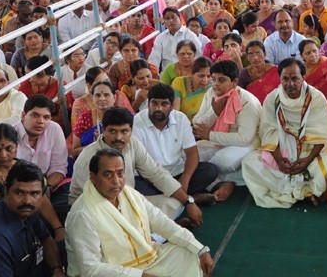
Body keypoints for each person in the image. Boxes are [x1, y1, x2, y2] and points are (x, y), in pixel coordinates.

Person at [65, 149, 214, 277]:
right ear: (93, 176)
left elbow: (163, 223)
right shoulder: (82, 213)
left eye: (120, 173)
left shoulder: (131, 195)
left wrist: (201, 249)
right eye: (108, 175)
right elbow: (90, 269)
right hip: (112, 272)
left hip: (144, 260)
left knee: (189, 253)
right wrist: (139, 275)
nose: (116, 181)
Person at [70, 107, 208, 224]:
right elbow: (87, 201)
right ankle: (156, 236)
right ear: (103, 130)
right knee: (127, 227)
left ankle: (154, 234)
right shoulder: (89, 158)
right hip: (95, 210)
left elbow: (156, 173)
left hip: (127, 200)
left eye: (124, 131)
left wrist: (188, 201)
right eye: (112, 131)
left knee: (173, 203)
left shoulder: (132, 144)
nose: (118, 137)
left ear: (131, 131)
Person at [241, 58, 327, 208]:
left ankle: (293, 188)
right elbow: (268, 130)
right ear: (279, 78)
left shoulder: (316, 97)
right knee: (248, 162)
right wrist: (279, 159)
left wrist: (307, 160)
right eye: (285, 79)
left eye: (295, 79)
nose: (290, 84)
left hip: (309, 149)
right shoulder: (273, 98)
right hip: (281, 147)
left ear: (303, 78)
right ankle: (301, 190)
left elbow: (323, 133)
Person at [133, 83, 219, 204]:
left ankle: (171, 201)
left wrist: (184, 180)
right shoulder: (137, 123)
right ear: (148, 104)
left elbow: (192, 154)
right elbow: (141, 165)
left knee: (210, 170)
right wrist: (173, 188)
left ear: (172, 106)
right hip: (150, 178)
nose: (158, 108)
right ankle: (189, 199)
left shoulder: (180, 119)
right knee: (137, 188)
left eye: (164, 104)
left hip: (177, 172)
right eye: (154, 103)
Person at [192, 60, 261, 199]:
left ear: (234, 82)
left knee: (222, 161)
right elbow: (197, 123)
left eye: (222, 80)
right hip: (218, 139)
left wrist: (210, 135)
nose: (215, 84)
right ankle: (226, 181)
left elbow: (244, 138)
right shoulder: (211, 92)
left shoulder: (248, 102)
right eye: (214, 79)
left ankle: (218, 183)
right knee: (190, 155)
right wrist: (214, 112)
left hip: (248, 143)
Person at [71, 80, 118, 159]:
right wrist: (96, 145)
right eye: (98, 95)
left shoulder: (122, 117)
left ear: (114, 97)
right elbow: (74, 152)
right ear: (92, 98)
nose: (102, 98)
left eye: (106, 95)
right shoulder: (84, 119)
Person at [148, 7, 202, 72]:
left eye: (173, 17)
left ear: (180, 19)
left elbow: (198, 56)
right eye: (167, 18)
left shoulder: (189, 35)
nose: (171, 21)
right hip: (166, 75)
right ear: (164, 22)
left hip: (187, 72)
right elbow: (154, 58)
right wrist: (154, 74)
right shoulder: (160, 37)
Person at [172, 56, 212, 121]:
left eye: (208, 76)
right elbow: (175, 114)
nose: (205, 80)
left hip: (202, 126)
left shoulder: (212, 89)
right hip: (182, 125)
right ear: (191, 73)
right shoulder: (179, 82)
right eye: (201, 76)